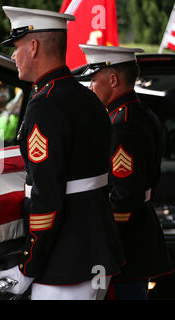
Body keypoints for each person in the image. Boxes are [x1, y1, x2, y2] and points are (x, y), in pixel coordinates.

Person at [0, 6, 125, 300]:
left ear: (34, 46)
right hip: (97, 250)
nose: (14, 56)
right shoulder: (88, 99)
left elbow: (47, 196)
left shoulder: (46, 105)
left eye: (16, 47)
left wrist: (28, 266)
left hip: (65, 261)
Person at [80, 44, 174, 299]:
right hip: (135, 238)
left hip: (124, 246)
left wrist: (100, 241)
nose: (90, 87)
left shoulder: (121, 123)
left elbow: (124, 197)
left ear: (112, 79)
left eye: (93, 79)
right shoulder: (138, 113)